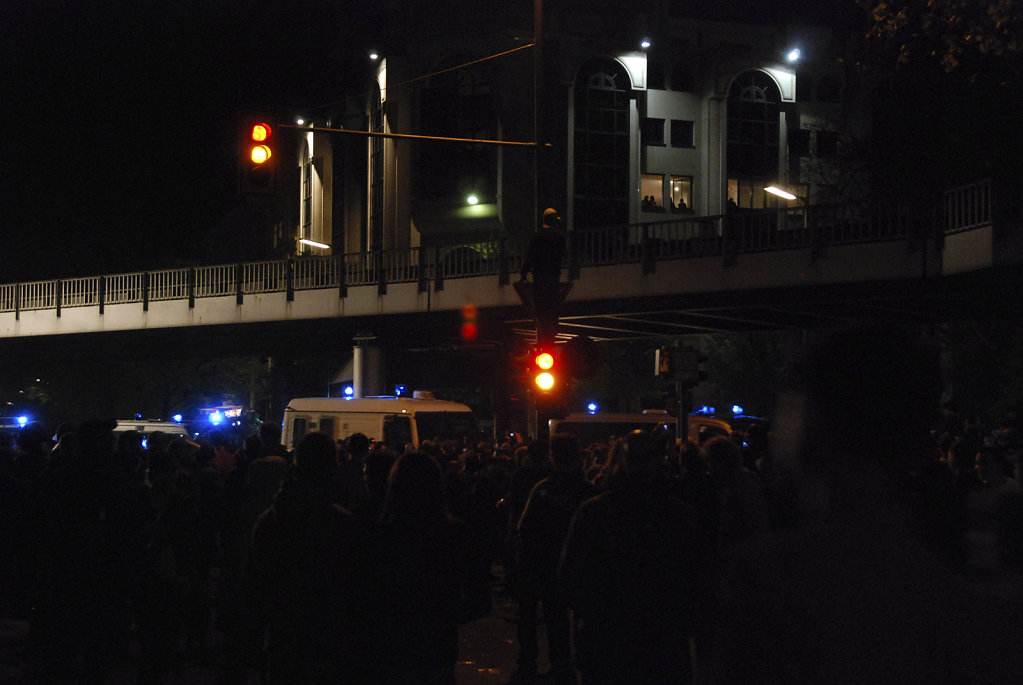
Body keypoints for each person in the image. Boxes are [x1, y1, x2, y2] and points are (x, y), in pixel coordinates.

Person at [560, 430, 706, 685]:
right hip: (660, 640)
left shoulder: (596, 512)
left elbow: (571, 576)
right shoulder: (678, 514)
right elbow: (699, 579)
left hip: (611, 638)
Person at [245, 431, 366, 684]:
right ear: (331, 468)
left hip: (283, 640)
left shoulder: (271, 520)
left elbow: (254, 588)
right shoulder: (342, 523)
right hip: (329, 642)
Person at [364, 451, 475, 684]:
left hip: (388, 644)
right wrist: (445, 616)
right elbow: (478, 597)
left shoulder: (379, 534)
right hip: (437, 645)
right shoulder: (455, 533)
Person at [514, 433, 598, 684]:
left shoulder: (544, 489)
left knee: (554, 617)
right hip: (584, 567)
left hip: (548, 565)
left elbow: (525, 529)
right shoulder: (589, 492)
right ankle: (576, 665)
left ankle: (553, 664)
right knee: (584, 618)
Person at [519, 208, 566, 345]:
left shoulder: (537, 238)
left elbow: (530, 257)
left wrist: (524, 272)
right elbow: (561, 256)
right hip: (553, 278)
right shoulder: (560, 239)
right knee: (552, 309)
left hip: (540, 279)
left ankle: (543, 334)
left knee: (541, 310)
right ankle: (550, 334)